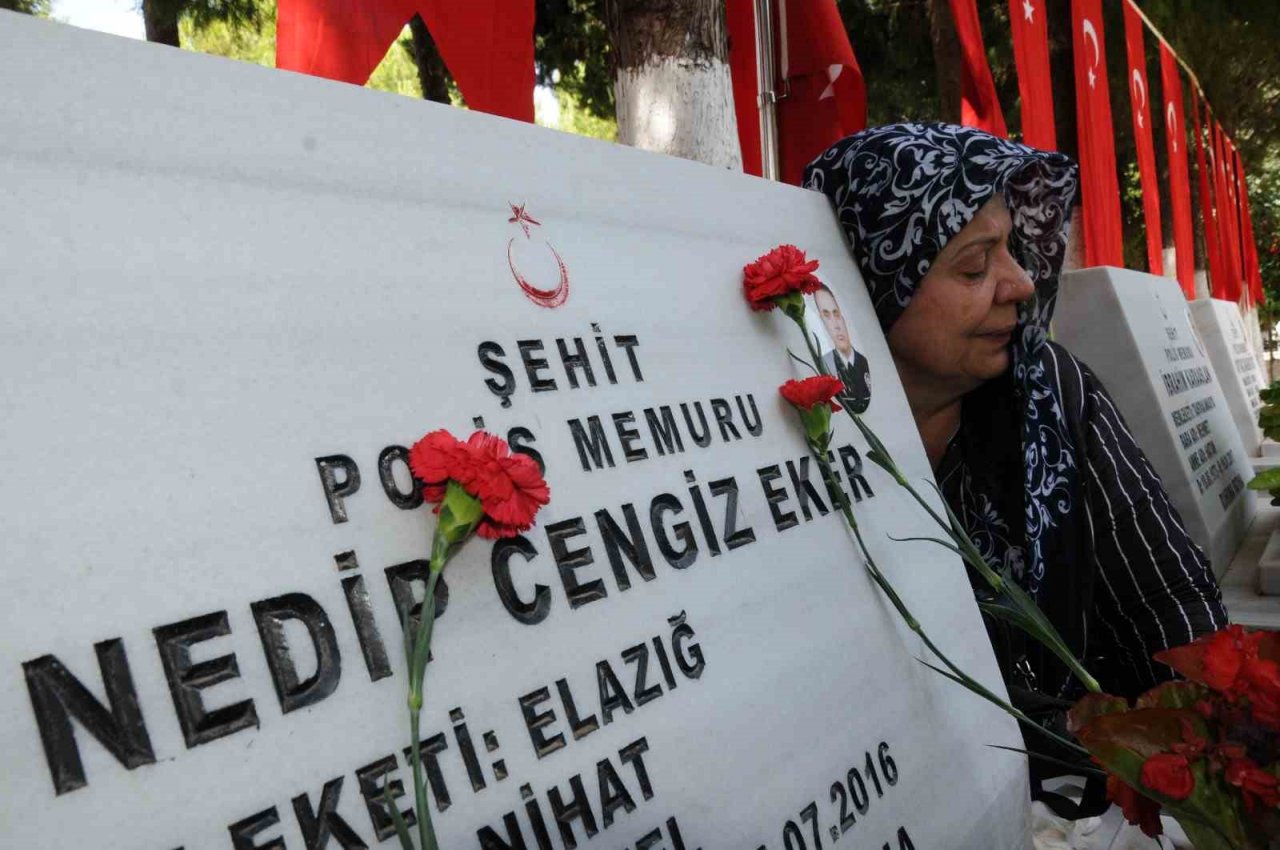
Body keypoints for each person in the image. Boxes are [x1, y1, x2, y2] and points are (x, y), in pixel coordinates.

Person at [804, 124, 1225, 760]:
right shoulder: (797, 430)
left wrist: (1201, 765)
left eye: (1011, 250)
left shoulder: (1049, 389)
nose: (1021, 283)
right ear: (871, 284)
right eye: (975, 265)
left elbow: (1169, 602)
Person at [814, 284, 872, 414]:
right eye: (826, 316)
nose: (836, 325)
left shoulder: (863, 362)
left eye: (836, 314)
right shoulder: (825, 363)